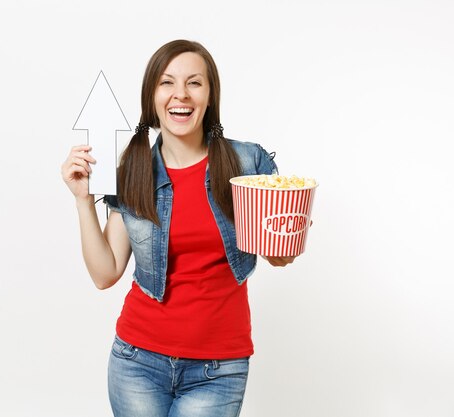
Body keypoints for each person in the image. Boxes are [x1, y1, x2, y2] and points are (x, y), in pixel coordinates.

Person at [61, 39, 299, 417]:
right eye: (167, 83)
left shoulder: (246, 162)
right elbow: (105, 274)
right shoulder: (132, 170)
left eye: (194, 83)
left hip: (217, 369)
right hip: (137, 362)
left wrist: (288, 230)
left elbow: (279, 255)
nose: (180, 95)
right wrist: (82, 200)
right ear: (152, 96)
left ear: (209, 96)